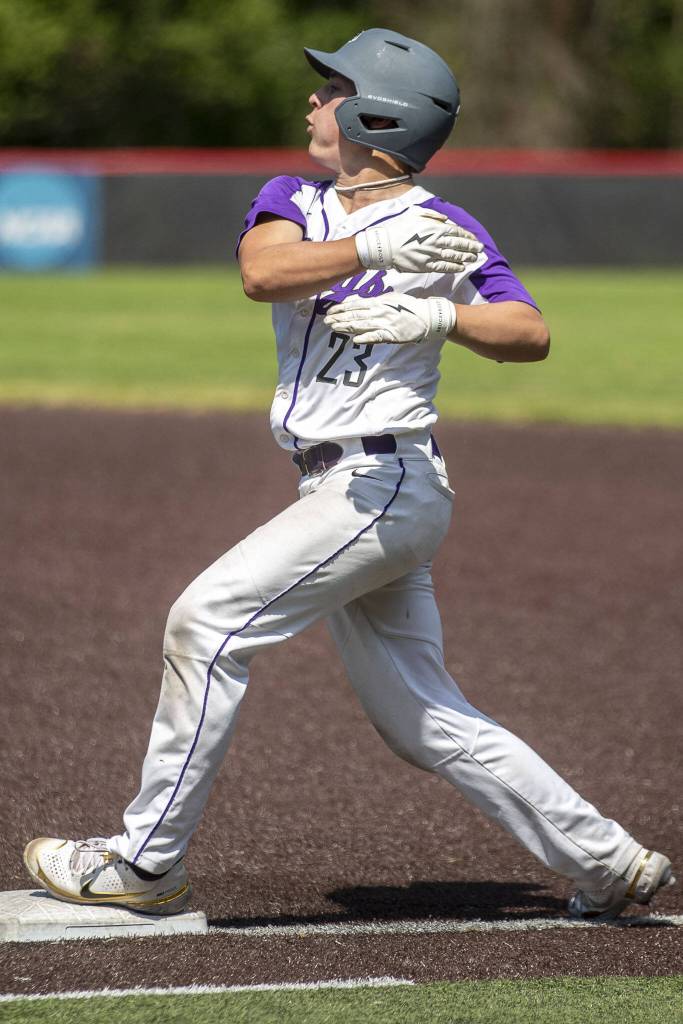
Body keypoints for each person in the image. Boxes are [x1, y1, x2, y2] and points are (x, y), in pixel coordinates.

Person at [24, 28, 674, 922]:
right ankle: (606, 863)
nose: (311, 101)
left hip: (382, 485)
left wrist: (443, 315)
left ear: (377, 115)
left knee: (206, 622)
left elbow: (529, 332)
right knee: (419, 719)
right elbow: (263, 274)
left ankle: (145, 864)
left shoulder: (446, 231)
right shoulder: (293, 196)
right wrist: (373, 256)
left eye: (330, 88)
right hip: (347, 489)